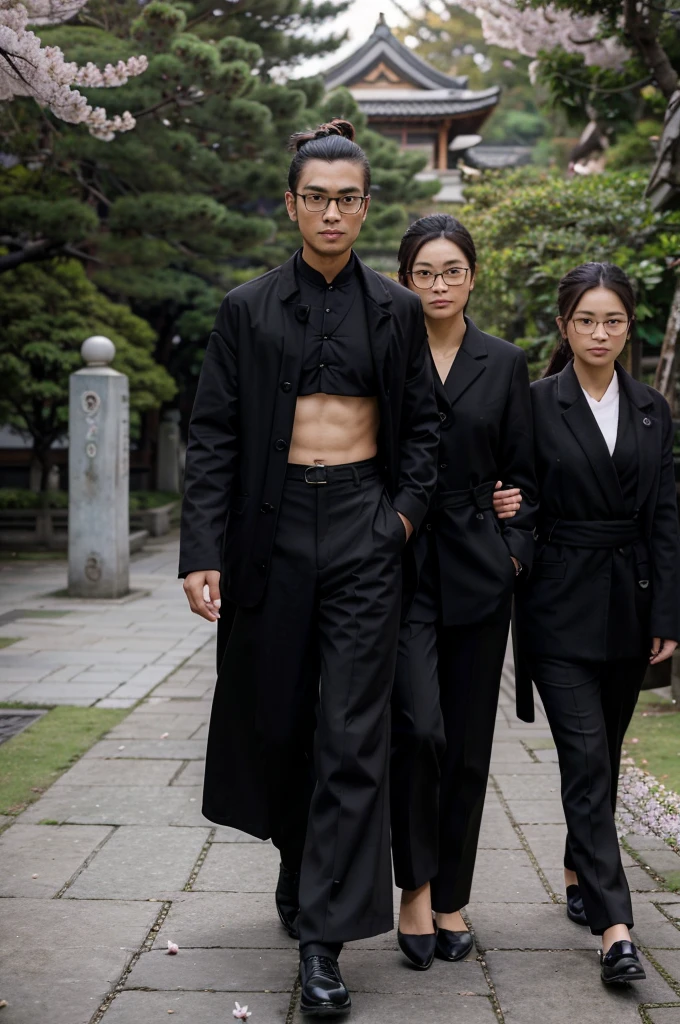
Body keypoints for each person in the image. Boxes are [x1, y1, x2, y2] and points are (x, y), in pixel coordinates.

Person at [178, 119, 440, 1016]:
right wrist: (201, 551)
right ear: (292, 204)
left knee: (353, 731)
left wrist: (400, 519)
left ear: (367, 207)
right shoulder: (246, 308)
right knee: (278, 716)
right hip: (273, 530)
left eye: (349, 198)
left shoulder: (398, 312)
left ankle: (324, 941)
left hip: (366, 528)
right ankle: (300, 863)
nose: (333, 212)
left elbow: (427, 434)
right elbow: (212, 433)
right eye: (317, 197)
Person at [515, 262, 680, 984]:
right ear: (564, 326)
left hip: (630, 603)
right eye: (587, 319)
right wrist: (507, 512)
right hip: (557, 604)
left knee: (604, 759)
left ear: (628, 329)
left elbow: (666, 517)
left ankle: (580, 866)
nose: (601, 332)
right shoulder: (534, 404)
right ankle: (618, 929)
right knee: (585, 759)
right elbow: (516, 492)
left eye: (613, 320)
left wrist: (668, 610)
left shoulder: (652, 408)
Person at [390, 214, 538, 969]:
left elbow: (526, 473)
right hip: (403, 568)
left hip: (481, 574)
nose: (439, 285)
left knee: (471, 748)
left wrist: (514, 546)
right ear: (405, 278)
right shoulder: (388, 350)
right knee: (419, 732)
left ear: (472, 277)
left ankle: (451, 898)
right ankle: (412, 886)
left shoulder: (504, 362)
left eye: (452, 271)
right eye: (425, 272)